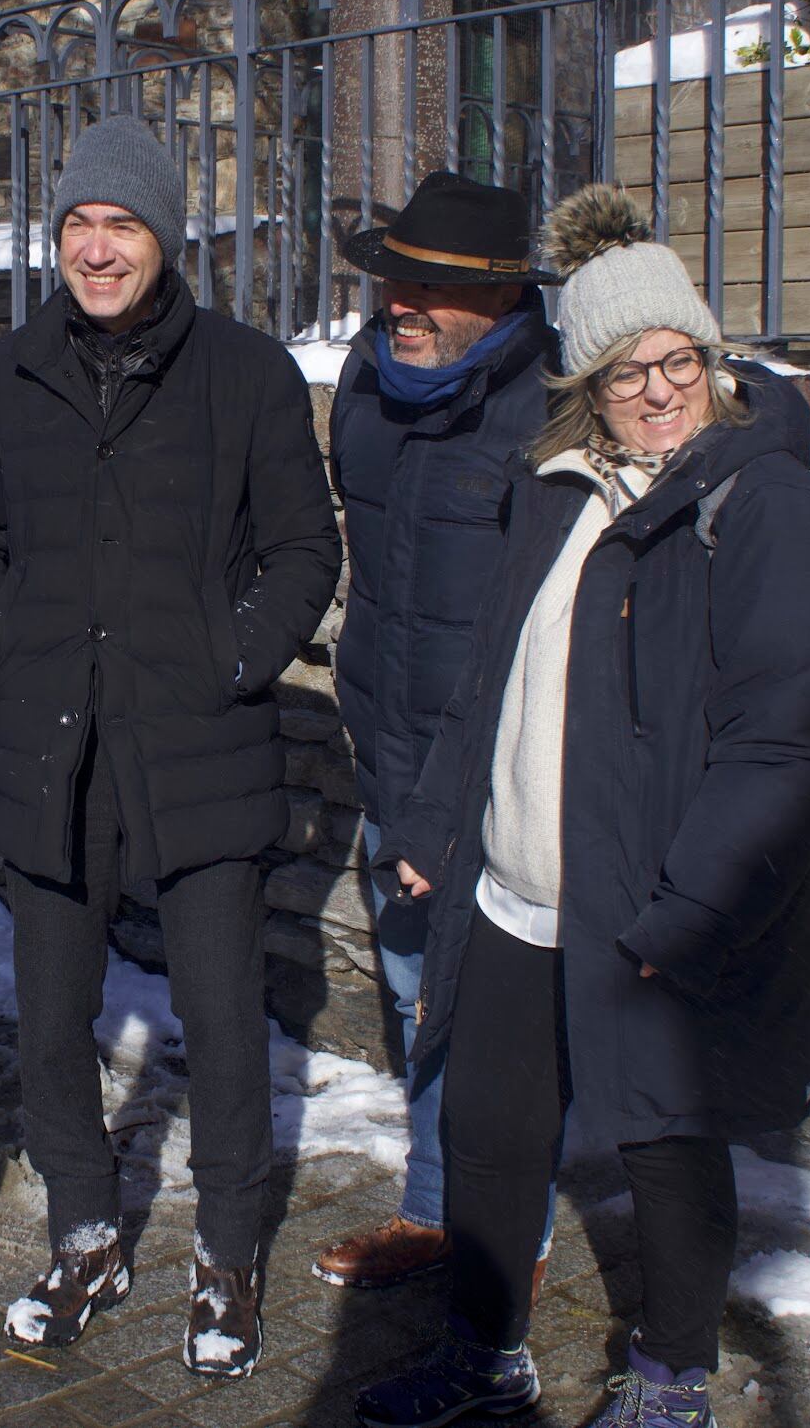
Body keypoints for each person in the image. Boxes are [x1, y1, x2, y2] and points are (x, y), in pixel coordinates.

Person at [355, 186, 810, 1428]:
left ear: (711, 359)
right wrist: (431, 828)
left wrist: (693, 910)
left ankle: (670, 1380)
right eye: (624, 369)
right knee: (487, 1136)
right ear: (583, 382)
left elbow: (790, 741)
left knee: (665, 1148)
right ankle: (483, 1356)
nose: (655, 389)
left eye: (676, 359)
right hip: (516, 892)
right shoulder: (552, 491)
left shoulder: (758, 510)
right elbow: (487, 680)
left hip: (650, 911)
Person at [0, 117, 341, 1380]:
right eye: (76, 226)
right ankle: (83, 1228)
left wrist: (232, 660)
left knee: (223, 1019)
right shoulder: (6, 377)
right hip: (50, 746)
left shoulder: (245, 372)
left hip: (198, 743)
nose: (97, 249)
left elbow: (303, 550)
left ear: (164, 239)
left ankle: (227, 1250)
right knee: (52, 1014)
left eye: (121, 226)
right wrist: (5, 638)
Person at [313, 171, 563, 1295]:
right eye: (394, 278)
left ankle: (510, 1230)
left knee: (501, 1013)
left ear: (502, 297)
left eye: (431, 287)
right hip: (388, 741)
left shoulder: (555, 401)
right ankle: (435, 1210)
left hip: (500, 768)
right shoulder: (368, 378)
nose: (399, 301)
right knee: (417, 988)